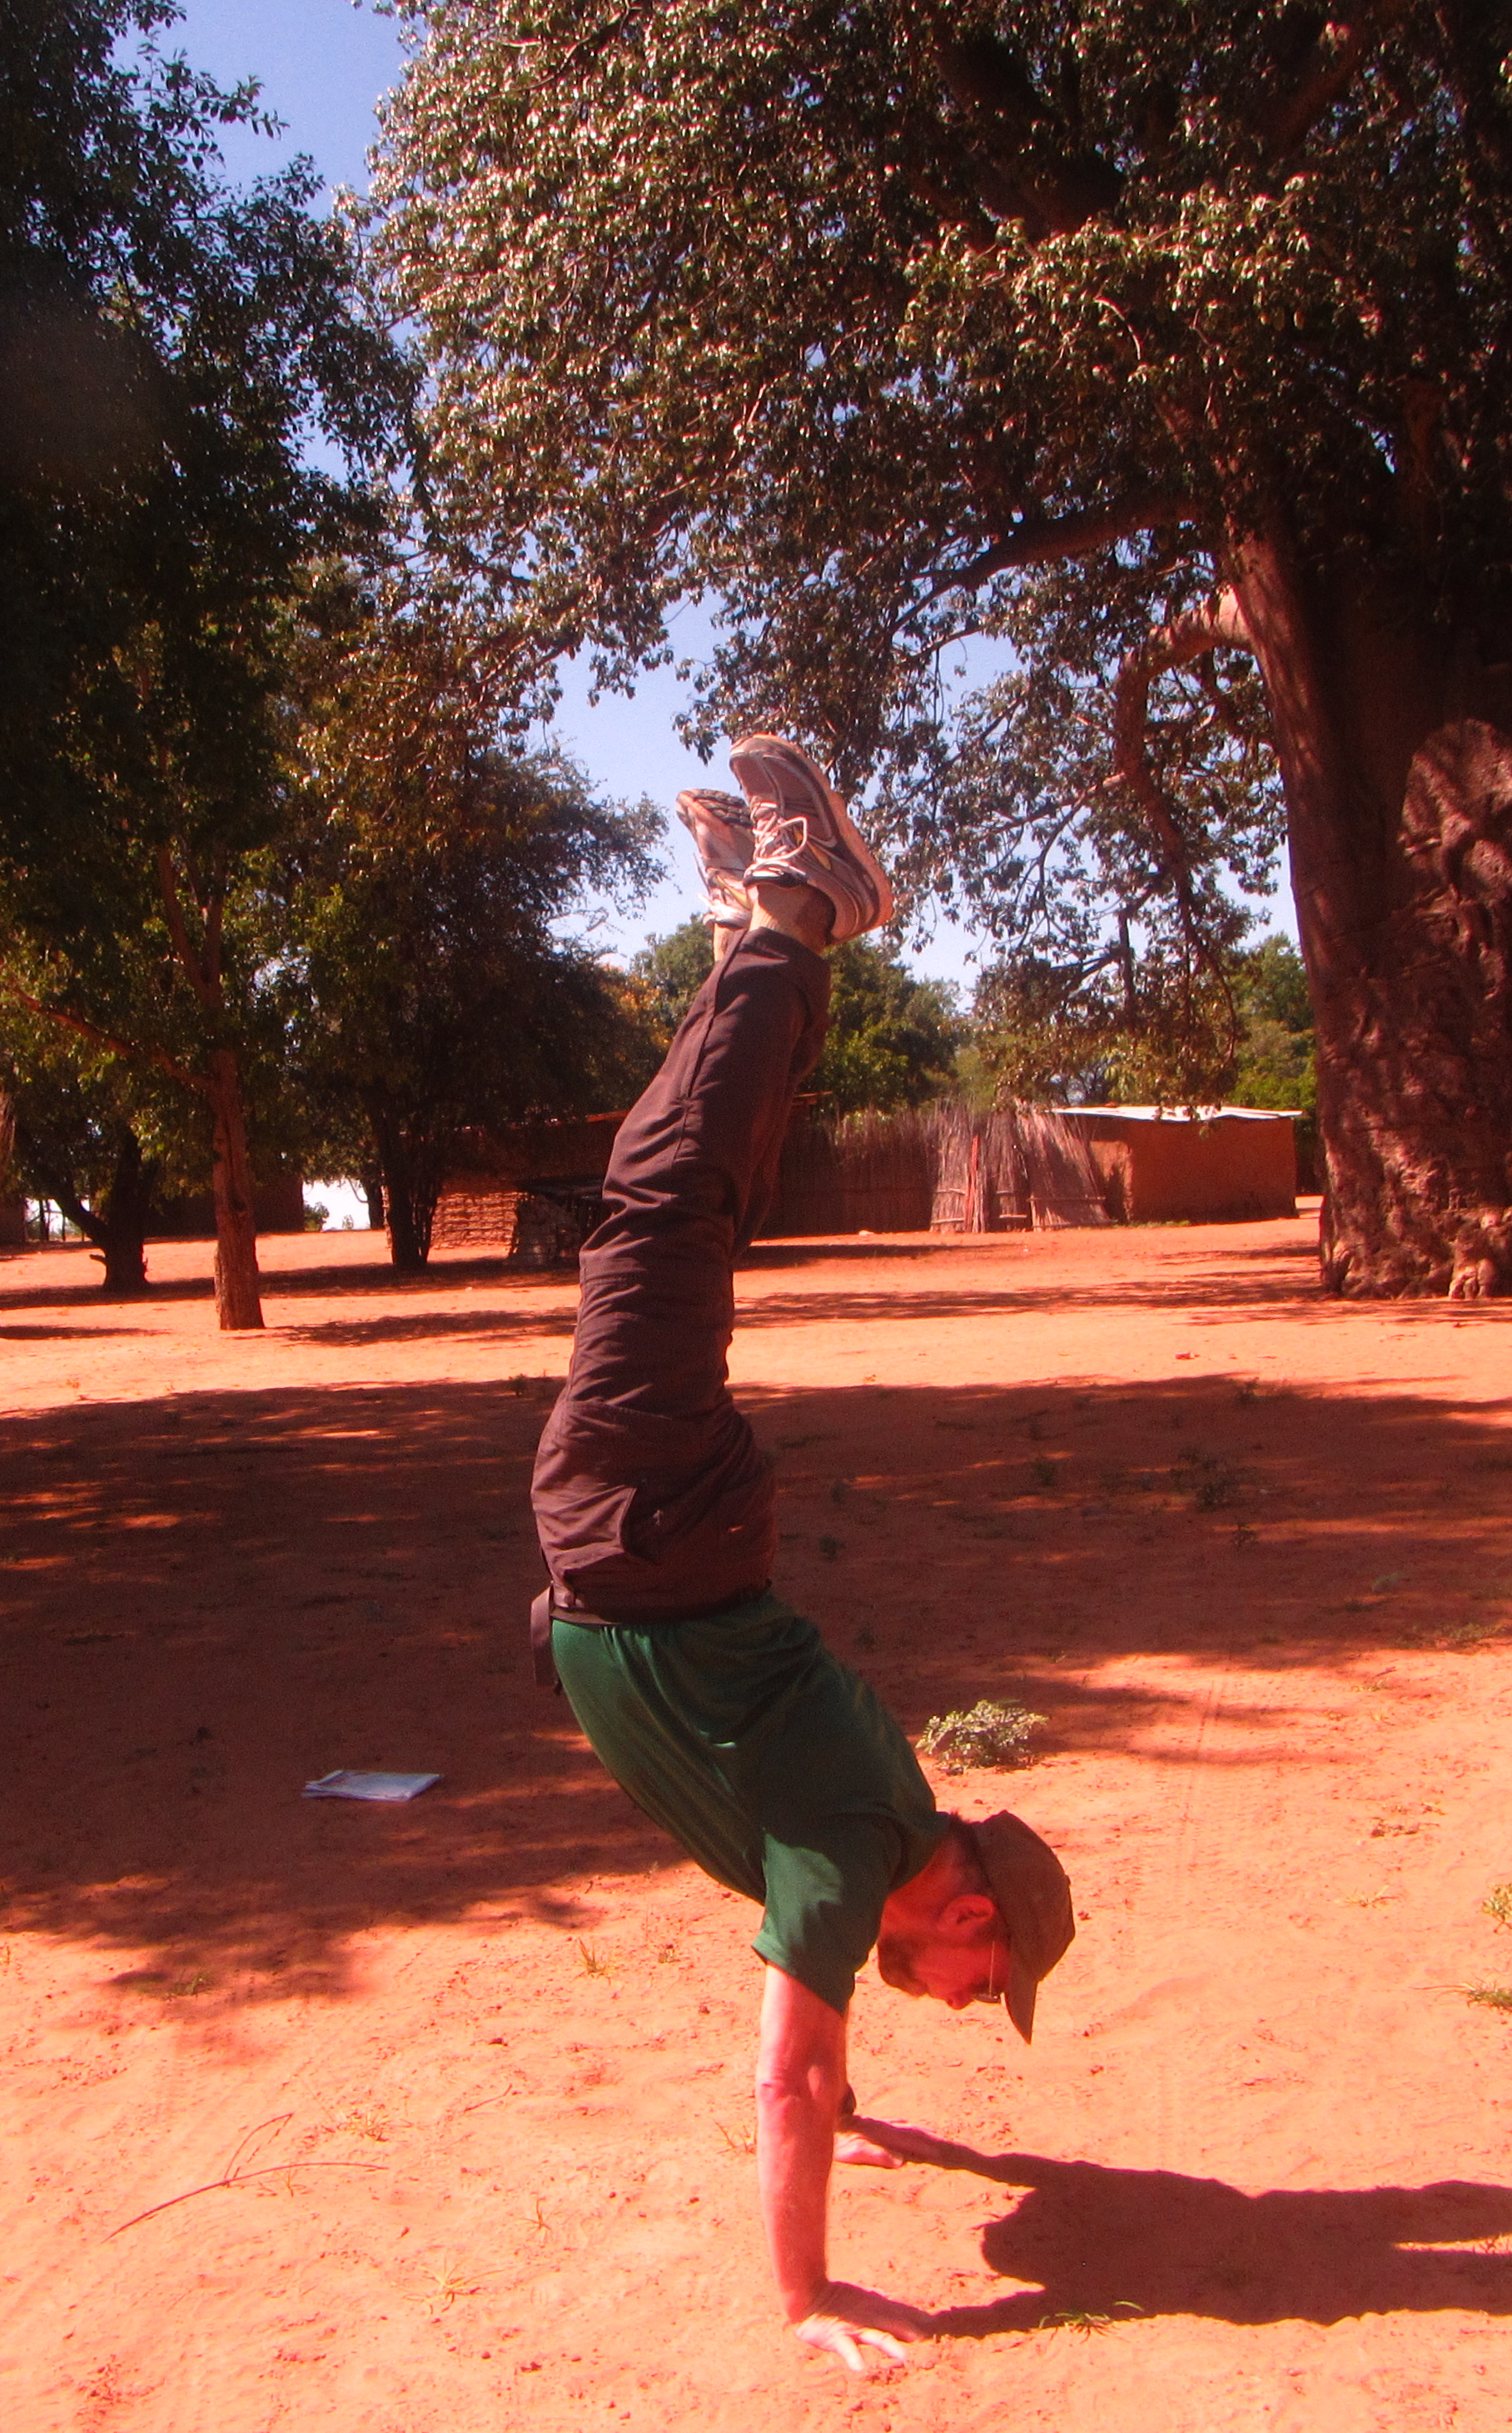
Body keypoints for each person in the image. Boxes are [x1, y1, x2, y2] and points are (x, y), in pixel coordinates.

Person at [528, 734, 1078, 2378]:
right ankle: (797, 914)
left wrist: (853, 2108)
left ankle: (752, 946)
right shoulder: (853, 1854)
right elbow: (787, 2069)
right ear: (961, 1901)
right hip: (648, 1530)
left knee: (689, 1208)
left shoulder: (863, 1851)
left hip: (659, 1544)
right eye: (985, 1970)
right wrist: (807, 2295)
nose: (970, 1998)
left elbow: (819, 2035)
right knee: (659, 1211)